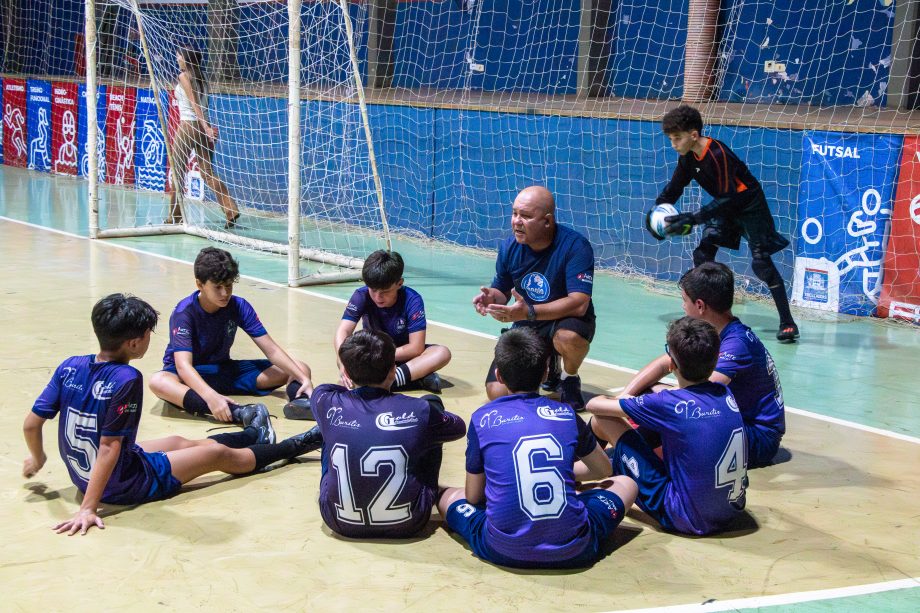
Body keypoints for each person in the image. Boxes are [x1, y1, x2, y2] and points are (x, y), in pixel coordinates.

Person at [22, 294, 323, 536]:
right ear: (135, 342)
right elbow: (109, 447)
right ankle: (298, 445)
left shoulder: (70, 365)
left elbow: (31, 424)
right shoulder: (126, 378)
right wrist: (89, 508)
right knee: (217, 454)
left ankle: (253, 434)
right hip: (125, 484)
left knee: (178, 441)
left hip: (91, 474)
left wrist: (37, 460)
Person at [437, 327, 637, 569]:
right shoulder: (566, 413)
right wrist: (559, 473)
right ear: (545, 373)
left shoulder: (483, 418)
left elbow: (474, 496)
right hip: (575, 549)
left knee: (450, 495)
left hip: (500, 549)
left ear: (499, 376)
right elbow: (603, 470)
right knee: (627, 484)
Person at [585, 317, 748, 536]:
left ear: (671, 364)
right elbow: (680, 403)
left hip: (686, 518)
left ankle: (574, 471)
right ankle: (601, 464)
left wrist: (626, 396)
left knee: (603, 419)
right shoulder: (725, 393)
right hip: (731, 511)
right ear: (716, 359)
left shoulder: (670, 405)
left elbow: (593, 405)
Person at [655, 104, 799, 342]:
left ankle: (787, 323)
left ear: (693, 135)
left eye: (677, 138)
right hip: (725, 206)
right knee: (703, 255)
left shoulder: (717, 153)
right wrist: (656, 214)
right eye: (671, 139)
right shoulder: (687, 158)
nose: (674, 144)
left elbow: (729, 196)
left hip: (749, 206)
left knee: (761, 263)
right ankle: (703, 318)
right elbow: (674, 189)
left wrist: (694, 218)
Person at [619, 262, 784, 468]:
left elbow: (699, 394)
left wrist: (650, 400)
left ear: (699, 305)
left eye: (684, 300)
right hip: (731, 420)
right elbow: (664, 362)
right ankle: (618, 453)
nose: (682, 307)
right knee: (649, 394)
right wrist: (625, 396)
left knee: (671, 409)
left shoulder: (737, 343)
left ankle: (626, 459)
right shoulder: (710, 331)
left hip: (757, 437)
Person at [311, 330, 465, 538]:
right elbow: (458, 427)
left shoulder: (325, 400)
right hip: (410, 522)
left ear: (346, 374)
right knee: (432, 423)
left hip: (337, 521)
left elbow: (329, 389)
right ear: (394, 371)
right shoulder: (418, 409)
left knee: (329, 429)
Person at [149, 247, 314, 432]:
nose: (224, 293)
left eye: (228, 285)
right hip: (187, 377)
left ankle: (302, 402)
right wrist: (212, 397)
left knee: (300, 367)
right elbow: (183, 367)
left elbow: (271, 349)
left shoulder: (239, 305)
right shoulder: (184, 312)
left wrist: (302, 378)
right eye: (217, 287)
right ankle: (238, 412)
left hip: (223, 370)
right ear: (199, 284)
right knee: (158, 381)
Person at [472, 186, 596, 410]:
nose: (516, 221)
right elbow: (502, 288)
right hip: (529, 324)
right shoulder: (509, 247)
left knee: (567, 337)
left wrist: (530, 312)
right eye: (514, 213)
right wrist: (491, 299)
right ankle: (549, 366)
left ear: (547, 221)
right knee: (498, 393)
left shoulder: (576, 247)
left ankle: (569, 379)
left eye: (526, 216)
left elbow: (579, 303)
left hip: (565, 320)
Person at [330, 250, 449, 402]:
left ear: (399, 283)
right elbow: (343, 331)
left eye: (385, 292)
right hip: (371, 355)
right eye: (373, 290)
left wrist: (384, 355)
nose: (378, 297)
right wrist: (343, 363)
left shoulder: (412, 300)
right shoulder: (361, 295)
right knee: (348, 352)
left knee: (442, 353)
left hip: (401, 355)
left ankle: (387, 383)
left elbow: (416, 348)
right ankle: (414, 377)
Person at [165, 47, 240, 229]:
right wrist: (206, 126)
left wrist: (206, 127)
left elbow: (194, 104)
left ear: (186, 59)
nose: (177, 58)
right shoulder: (202, 77)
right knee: (207, 172)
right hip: (203, 125)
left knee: (177, 171)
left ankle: (175, 217)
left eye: (179, 55)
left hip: (189, 126)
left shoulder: (184, 76)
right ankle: (231, 209)